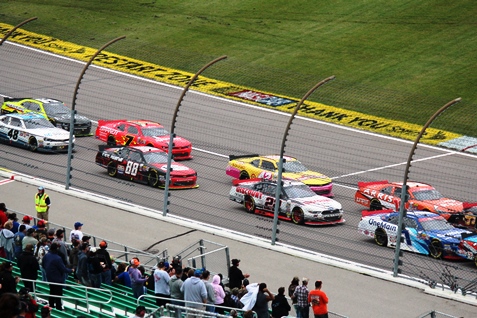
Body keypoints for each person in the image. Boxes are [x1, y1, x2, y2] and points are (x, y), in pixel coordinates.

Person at [41, 242, 73, 310]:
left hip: (49, 277)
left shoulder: (47, 255)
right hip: (57, 279)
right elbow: (63, 269)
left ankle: (51, 305)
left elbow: (43, 264)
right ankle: (58, 307)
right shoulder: (58, 258)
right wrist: (71, 270)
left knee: (52, 291)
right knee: (58, 294)